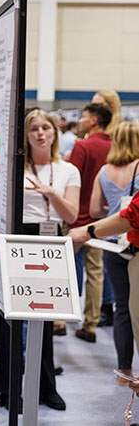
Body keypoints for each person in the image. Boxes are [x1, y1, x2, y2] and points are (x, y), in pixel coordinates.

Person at [0, 108, 79, 412]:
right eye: (34, 129)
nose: (41, 133)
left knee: (44, 318)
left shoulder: (68, 170)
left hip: (52, 238)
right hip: (17, 237)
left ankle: (46, 386)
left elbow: (71, 215)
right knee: (10, 318)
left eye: (46, 128)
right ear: (26, 134)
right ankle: (7, 388)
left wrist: (50, 193)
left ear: (55, 132)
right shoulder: (15, 167)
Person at [86, 121, 139, 382]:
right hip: (135, 243)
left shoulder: (104, 172)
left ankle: (124, 370)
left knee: (122, 307)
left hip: (111, 243)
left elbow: (95, 210)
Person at [68, 103, 113, 343]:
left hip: (75, 220)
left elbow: (70, 181)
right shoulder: (114, 148)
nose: (80, 120)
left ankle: (56, 320)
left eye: (82, 117)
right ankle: (91, 325)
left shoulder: (81, 146)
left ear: (93, 120)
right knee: (95, 273)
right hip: (101, 222)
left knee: (64, 271)